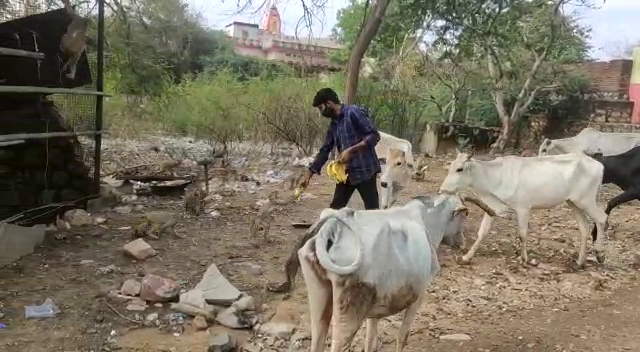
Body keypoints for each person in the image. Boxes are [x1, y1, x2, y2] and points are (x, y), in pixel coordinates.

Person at [299, 87, 381, 210]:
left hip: (366, 171)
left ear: (329, 103)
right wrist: (308, 175)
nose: (321, 113)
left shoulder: (353, 112)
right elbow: (325, 150)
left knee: (372, 211)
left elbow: (374, 136)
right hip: (346, 174)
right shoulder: (334, 124)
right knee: (334, 210)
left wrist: (352, 150)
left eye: (321, 108)